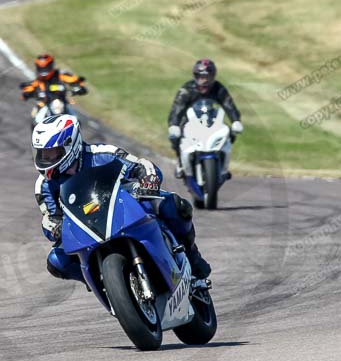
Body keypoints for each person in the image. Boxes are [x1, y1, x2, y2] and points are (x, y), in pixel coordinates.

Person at [32, 114, 211, 285]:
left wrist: (147, 180)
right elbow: (49, 216)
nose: (46, 159)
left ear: (70, 144)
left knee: (175, 206)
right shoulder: (44, 184)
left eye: (52, 153)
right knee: (57, 261)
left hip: (122, 206)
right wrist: (54, 227)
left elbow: (141, 166)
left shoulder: (103, 153)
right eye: (43, 154)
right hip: (84, 226)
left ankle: (192, 255)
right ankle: (102, 282)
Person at [167, 59, 244, 178]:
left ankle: (222, 163)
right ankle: (180, 162)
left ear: (213, 77)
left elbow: (229, 105)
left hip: (211, 120)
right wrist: (174, 124)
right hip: (190, 122)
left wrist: (236, 121)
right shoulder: (187, 89)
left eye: (208, 77)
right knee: (176, 135)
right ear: (195, 77)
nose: (204, 80)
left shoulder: (218, 88)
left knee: (229, 133)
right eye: (201, 77)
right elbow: (177, 108)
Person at [20, 54, 87, 107]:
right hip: (45, 104)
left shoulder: (60, 75)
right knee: (36, 116)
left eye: (46, 67)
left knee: (74, 119)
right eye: (42, 68)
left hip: (62, 103)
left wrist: (79, 87)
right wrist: (27, 94)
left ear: (51, 65)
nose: (44, 70)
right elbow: (29, 88)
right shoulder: (38, 81)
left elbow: (74, 80)